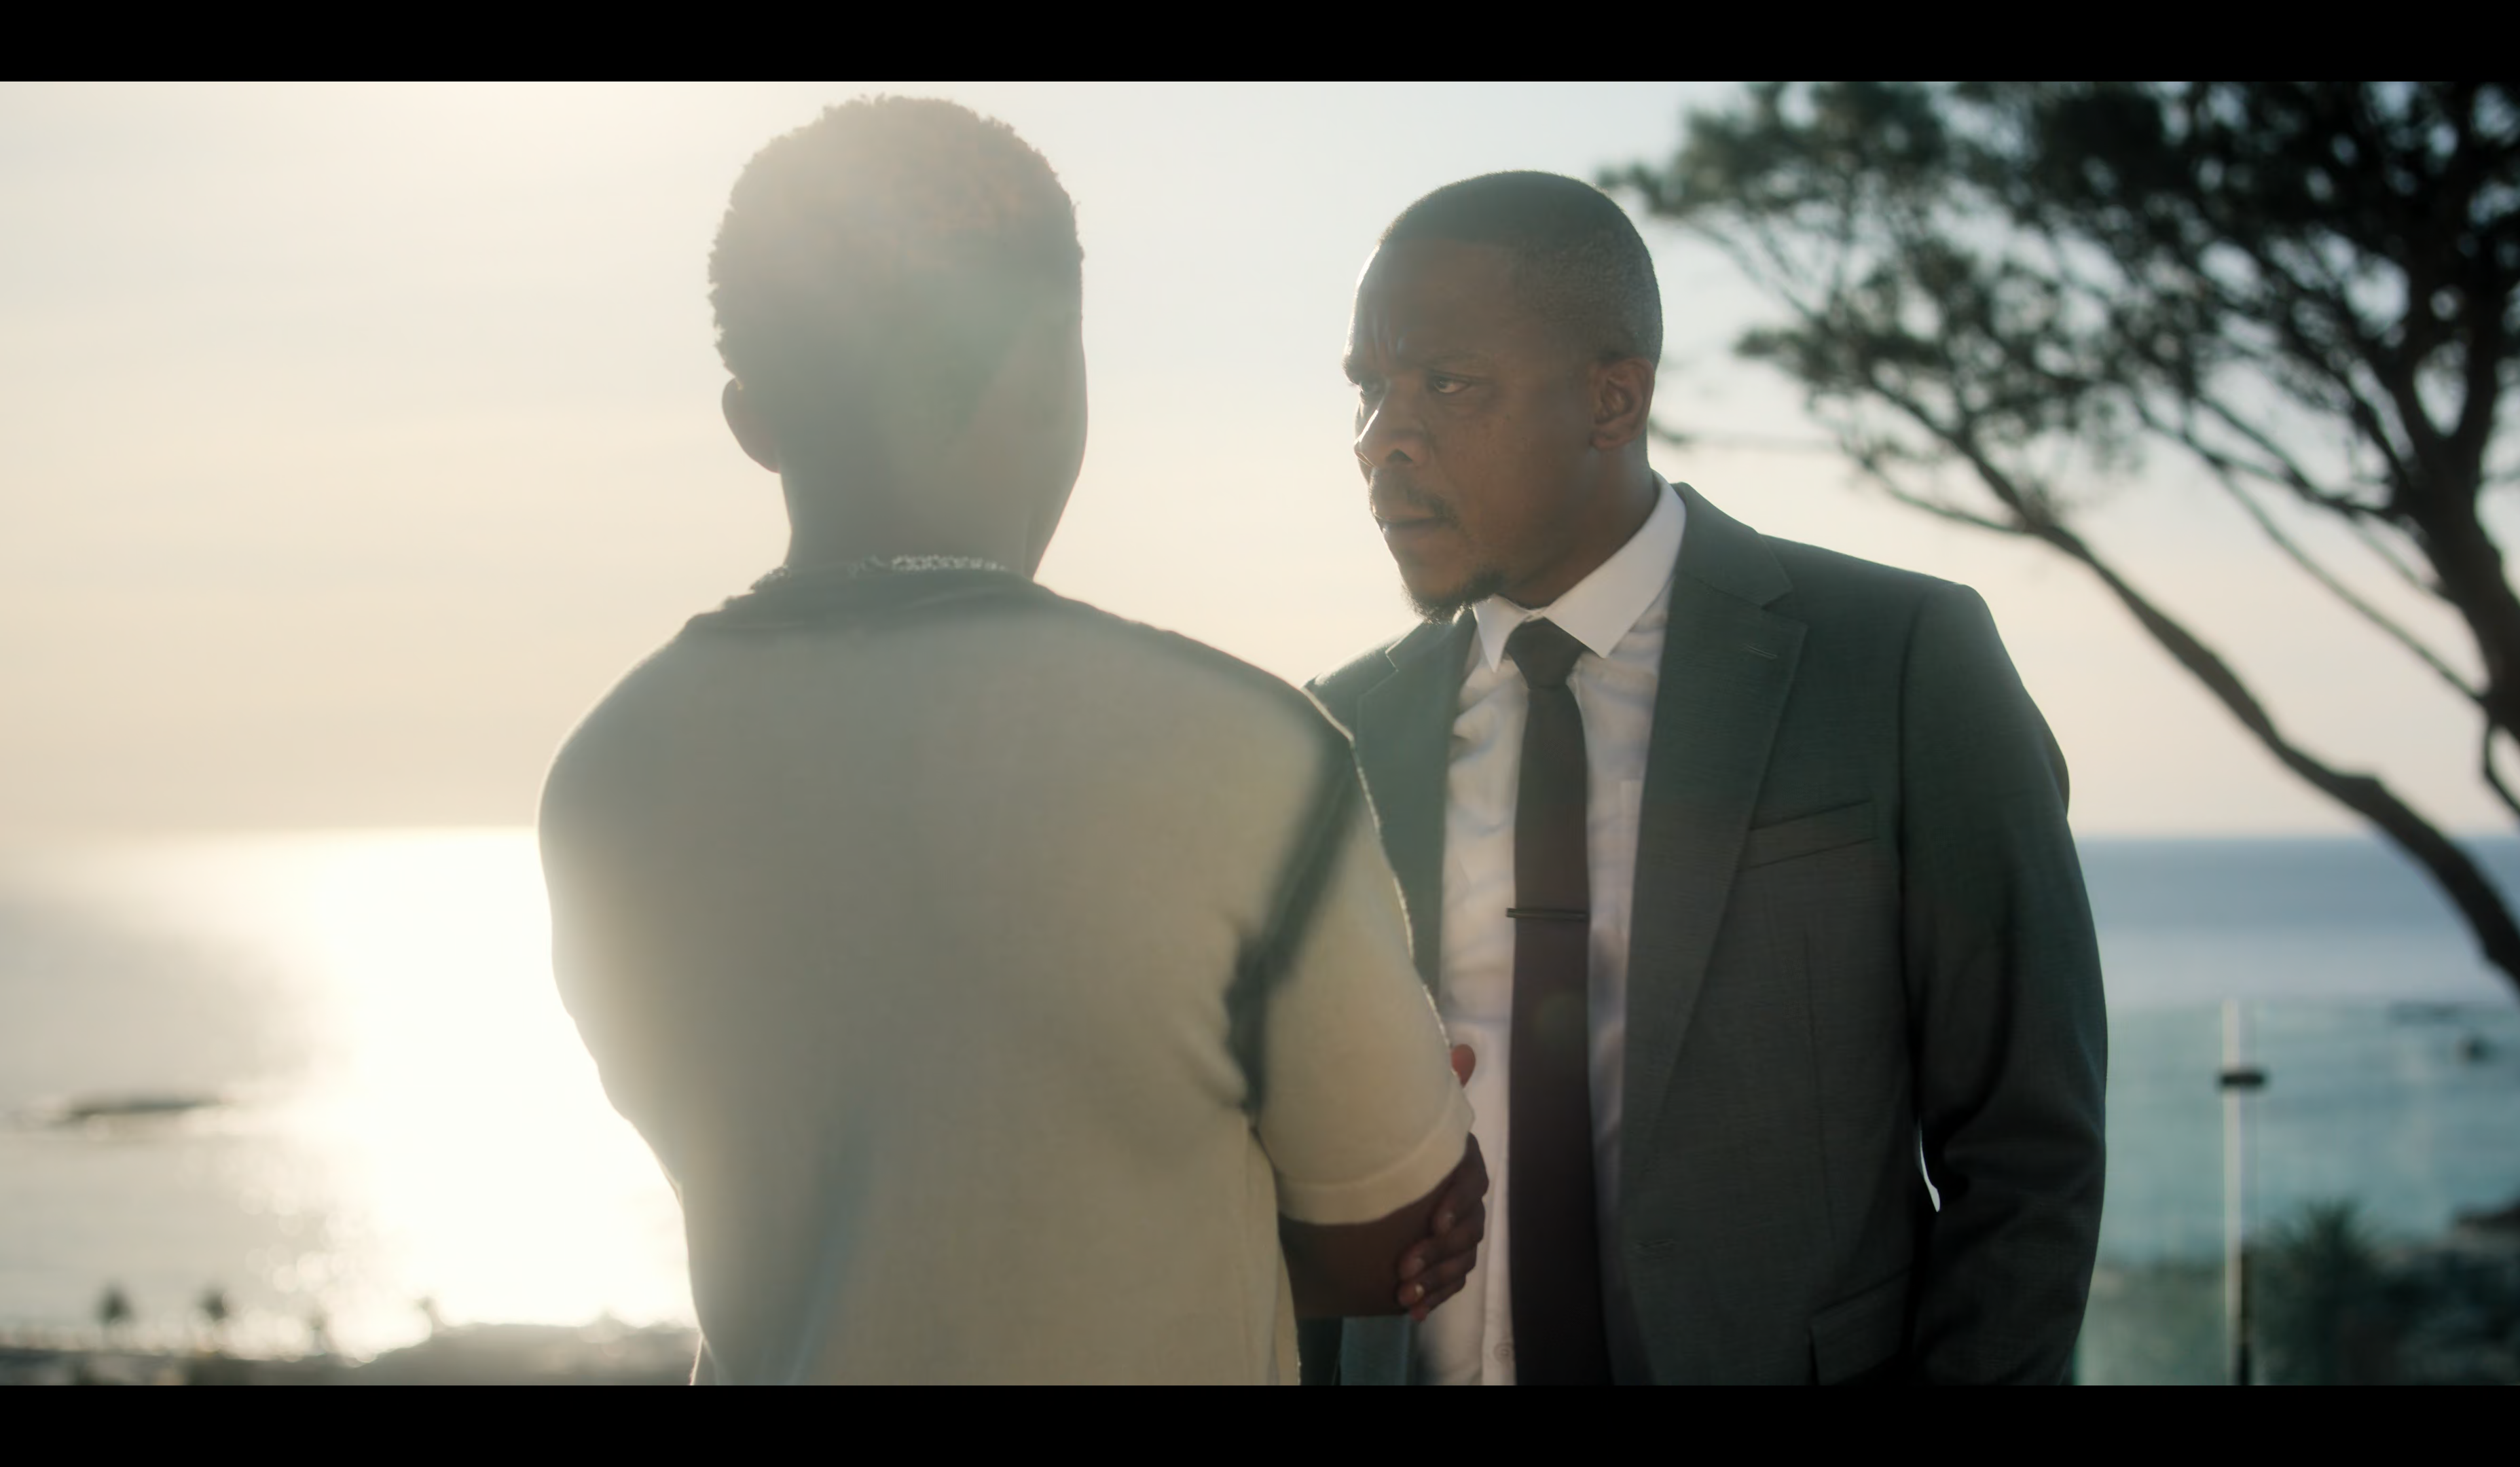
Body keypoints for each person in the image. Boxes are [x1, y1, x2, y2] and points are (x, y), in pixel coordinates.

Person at [539, 98, 1484, 1385]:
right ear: (1054, 373)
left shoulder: (606, 775)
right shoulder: (1244, 755)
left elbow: (811, 1186)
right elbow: (1393, 1243)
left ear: (749, 417)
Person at [1303, 172, 2106, 1385]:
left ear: (1613, 399)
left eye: (1446, 384)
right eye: (1368, 388)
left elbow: (2030, 1151)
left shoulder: (1899, 664)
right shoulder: (1334, 730)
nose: (1381, 439)